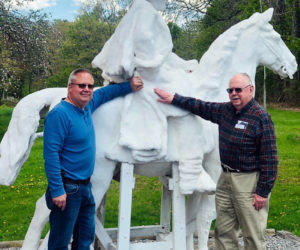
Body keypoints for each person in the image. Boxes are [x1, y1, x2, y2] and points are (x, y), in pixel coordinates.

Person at [154, 73, 278, 250]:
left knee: (253, 235)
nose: (234, 93)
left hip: (249, 182)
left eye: (238, 89)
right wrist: (174, 98)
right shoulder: (226, 111)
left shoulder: (260, 117)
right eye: (230, 90)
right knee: (224, 232)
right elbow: (201, 106)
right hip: (225, 178)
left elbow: (270, 159)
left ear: (251, 90)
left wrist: (262, 192)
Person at [44, 68, 143, 250]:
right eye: (82, 85)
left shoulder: (86, 107)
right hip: (67, 189)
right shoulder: (59, 114)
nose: (87, 89)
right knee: (60, 242)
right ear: (70, 87)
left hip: (85, 188)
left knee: (84, 239)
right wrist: (57, 190)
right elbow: (51, 155)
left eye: (90, 86)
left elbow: (105, 93)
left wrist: (129, 86)